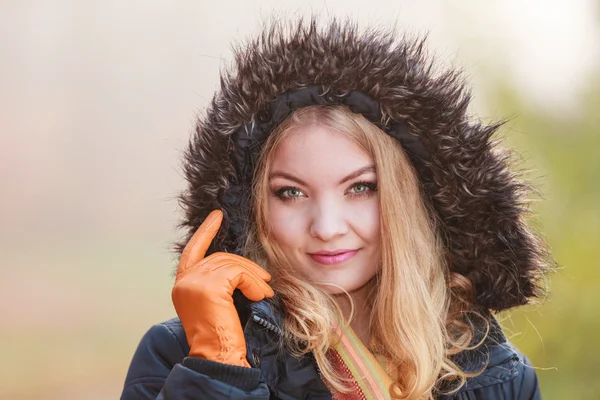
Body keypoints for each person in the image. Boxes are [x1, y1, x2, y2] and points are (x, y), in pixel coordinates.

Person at [121, 19, 551, 399]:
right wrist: (218, 369)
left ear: (406, 201)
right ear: (251, 207)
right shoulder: (180, 355)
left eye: (361, 188)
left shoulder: (493, 373)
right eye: (290, 192)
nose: (326, 227)